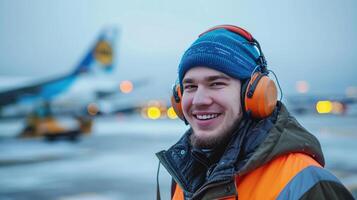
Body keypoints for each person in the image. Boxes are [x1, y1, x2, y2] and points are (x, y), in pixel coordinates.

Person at [156, 25, 354, 200]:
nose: (199, 100)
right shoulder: (187, 174)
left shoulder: (305, 184)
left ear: (253, 94)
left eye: (216, 84)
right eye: (190, 87)